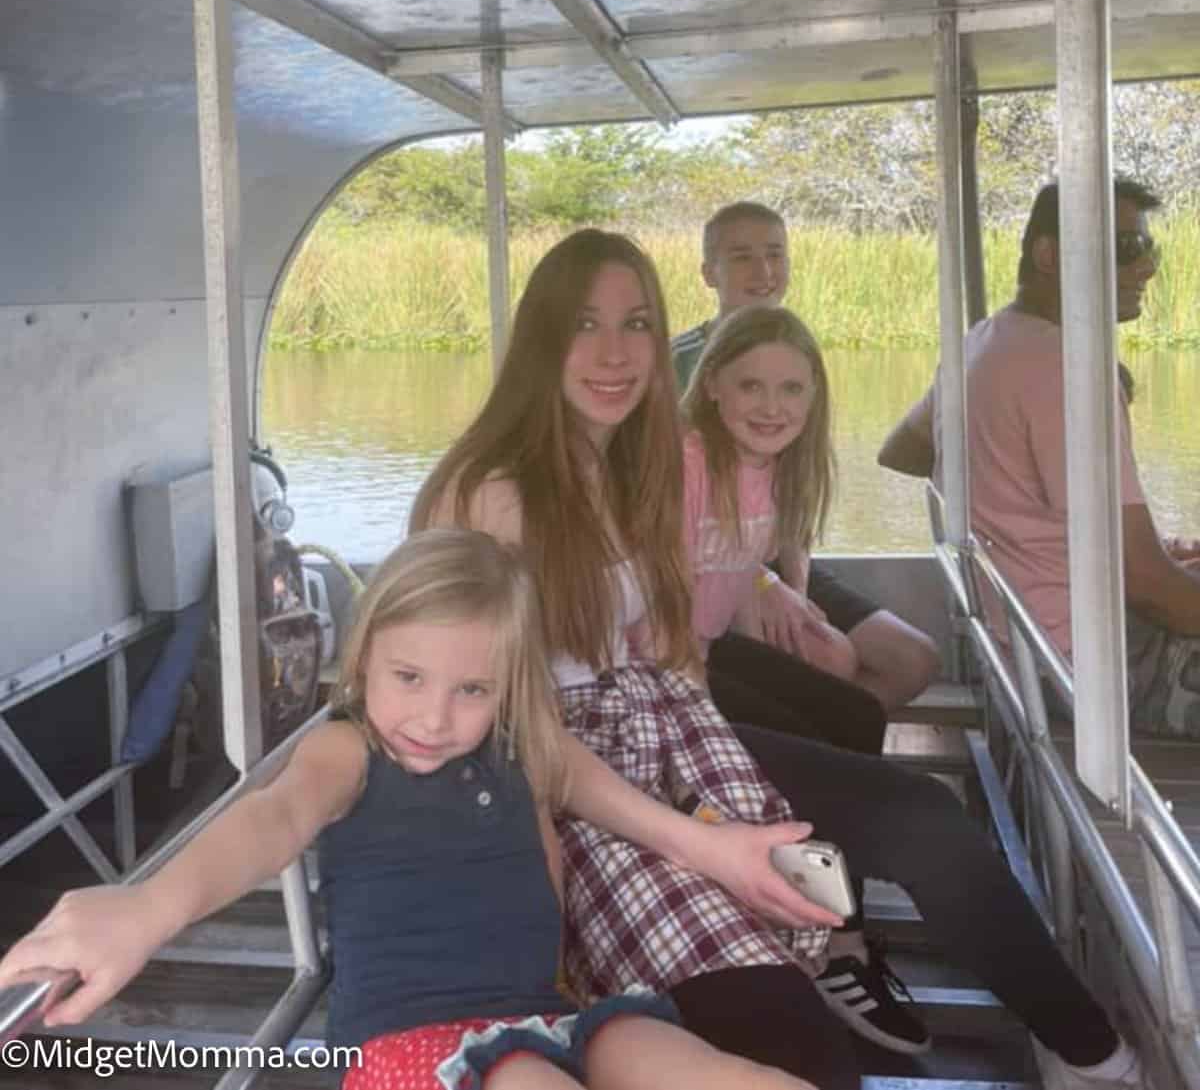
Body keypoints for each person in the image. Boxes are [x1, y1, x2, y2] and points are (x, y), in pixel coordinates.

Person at [415, 228, 1145, 1089]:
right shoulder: (488, 491)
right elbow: (497, 727)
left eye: (638, 323)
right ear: (543, 338)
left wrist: (724, 765)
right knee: (803, 1055)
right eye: (585, 324)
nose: (615, 352)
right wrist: (704, 840)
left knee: (919, 817)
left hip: (668, 736)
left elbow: (667, 648)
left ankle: (1094, 1053)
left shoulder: (625, 472)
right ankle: (811, 958)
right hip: (565, 793)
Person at [0, 529, 821, 1090]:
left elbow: (589, 787)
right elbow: (271, 819)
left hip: (546, 1016)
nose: (433, 718)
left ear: (505, 689)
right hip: (409, 1049)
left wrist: (718, 851)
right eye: (409, 677)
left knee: (731, 1076)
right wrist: (148, 907)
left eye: (471, 689)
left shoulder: (513, 742)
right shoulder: (349, 753)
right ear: (363, 658)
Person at [879, 178, 1200, 740]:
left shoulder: (982, 343)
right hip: (1095, 664)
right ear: (1048, 254)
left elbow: (902, 450)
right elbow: (1148, 584)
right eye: (1127, 248)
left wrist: (1020, 526)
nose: (1146, 268)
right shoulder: (1066, 369)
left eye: (1149, 249)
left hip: (1029, 643)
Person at [672, 201, 939, 714]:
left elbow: (794, 494)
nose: (764, 272)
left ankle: (834, 744)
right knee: (829, 663)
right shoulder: (674, 364)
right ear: (710, 272)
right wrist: (758, 582)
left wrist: (794, 588)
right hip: (714, 561)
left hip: (773, 549)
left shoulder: (798, 349)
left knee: (914, 661)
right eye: (743, 257)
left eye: (775, 254)